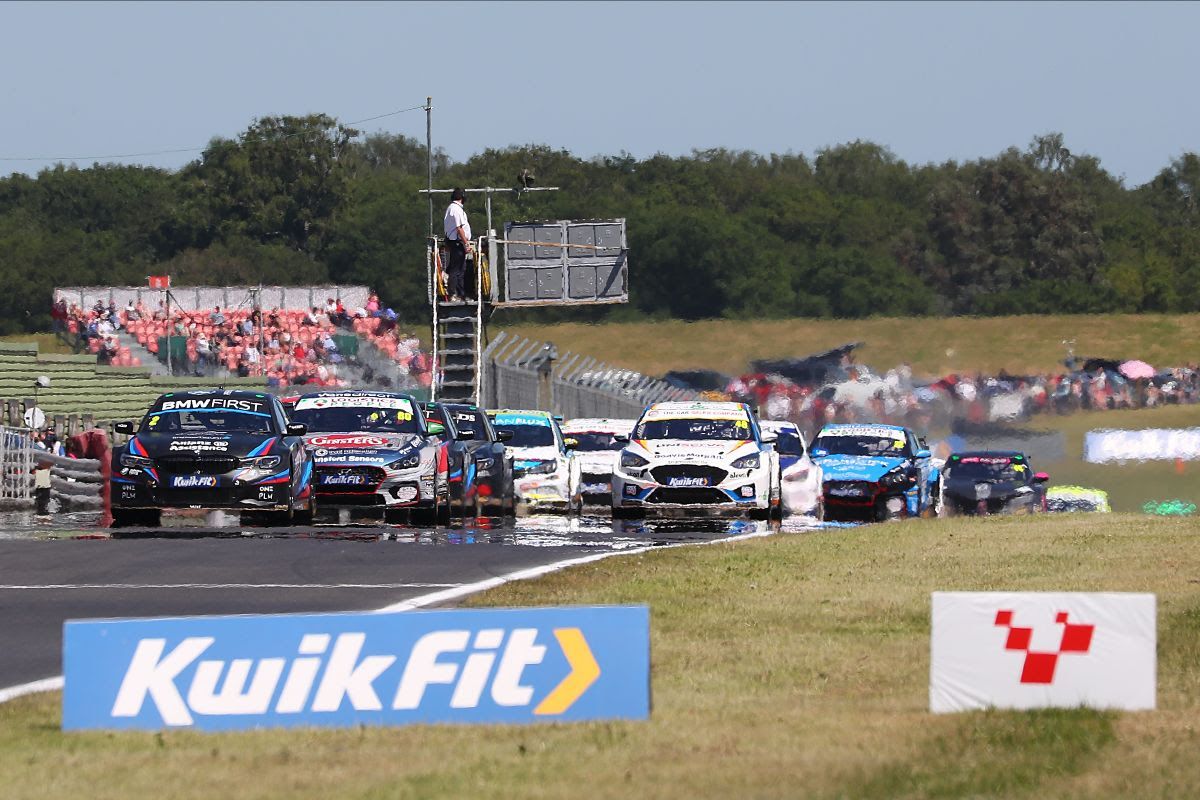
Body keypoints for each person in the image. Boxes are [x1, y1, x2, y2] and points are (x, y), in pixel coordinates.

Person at [443, 188, 472, 302]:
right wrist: (466, 243)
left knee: (461, 269)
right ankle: (452, 293)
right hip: (456, 242)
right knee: (456, 269)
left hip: (457, 242)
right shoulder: (455, 209)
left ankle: (461, 294)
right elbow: (459, 228)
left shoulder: (453, 208)